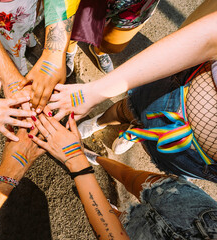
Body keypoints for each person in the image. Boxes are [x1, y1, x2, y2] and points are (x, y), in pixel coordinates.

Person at [45, 6, 217, 182]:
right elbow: (207, 37)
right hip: (172, 98)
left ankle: (135, 132)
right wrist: (97, 91)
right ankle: (99, 122)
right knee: (127, 109)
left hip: (195, 162)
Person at [29, 112, 217, 239]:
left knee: (118, 220)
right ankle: (98, 159)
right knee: (129, 177)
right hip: (197, 213)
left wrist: (76, 162)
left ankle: (109, 208)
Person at [68, 0, 160, 74]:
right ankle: (69, 49)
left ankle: (99, 50)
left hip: (138, 5)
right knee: (73, 27)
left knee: (112, 46)